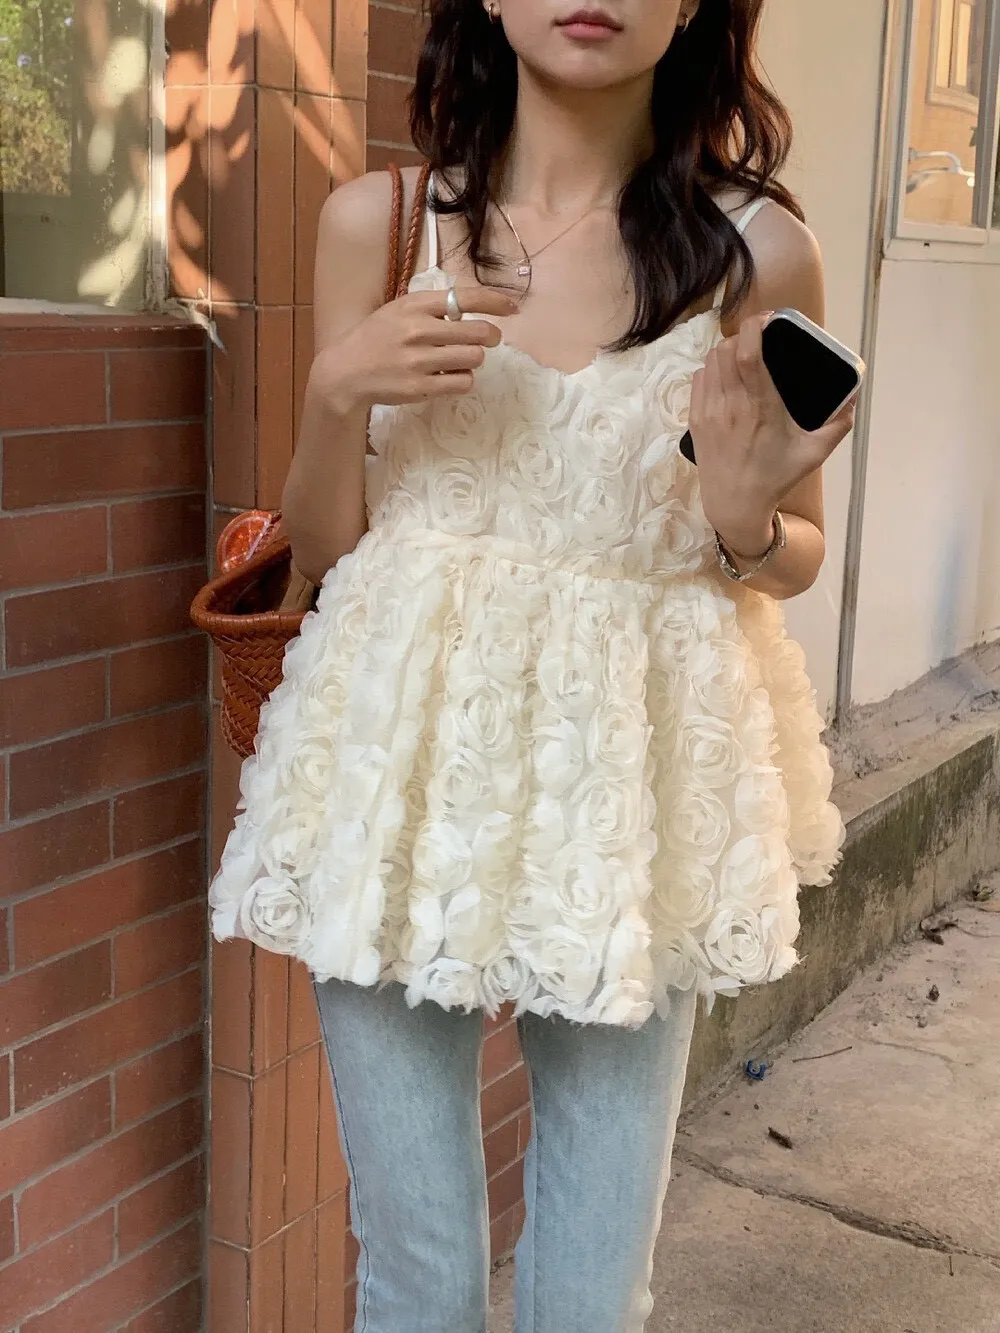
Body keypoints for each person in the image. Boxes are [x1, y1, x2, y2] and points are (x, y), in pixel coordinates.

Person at [210, 1, 854, 1328]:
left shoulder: (758, 252)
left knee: (592, 1291)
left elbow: (792, 550)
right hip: (398, 763)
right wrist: (337, 392)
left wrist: (742, 517)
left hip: (631, 778)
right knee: (418, 1276)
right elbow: (326, 549)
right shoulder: (380, 223)